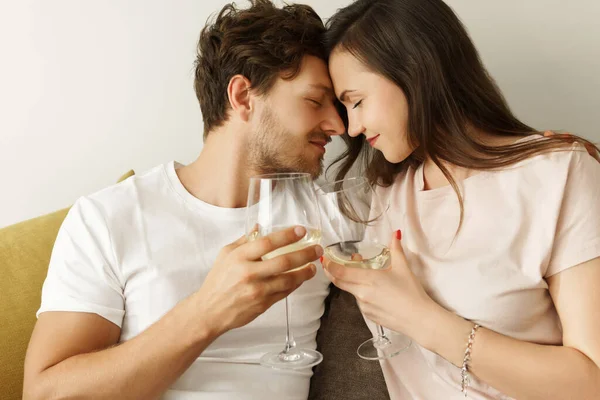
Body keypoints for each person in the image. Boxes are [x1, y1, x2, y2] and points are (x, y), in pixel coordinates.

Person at [22, 1, 345, 399]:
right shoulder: (108, 218)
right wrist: (209, 311)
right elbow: (46, 394)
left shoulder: (330, 216)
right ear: (243, 96)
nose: (338, 125)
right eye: (315, 101)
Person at [321, 0, 600, 399]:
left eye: (357, 101)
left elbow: (592, 381)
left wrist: (423, 320)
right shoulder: (384, 197)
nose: (353, 126)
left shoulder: (558, 174)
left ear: (414, 71)